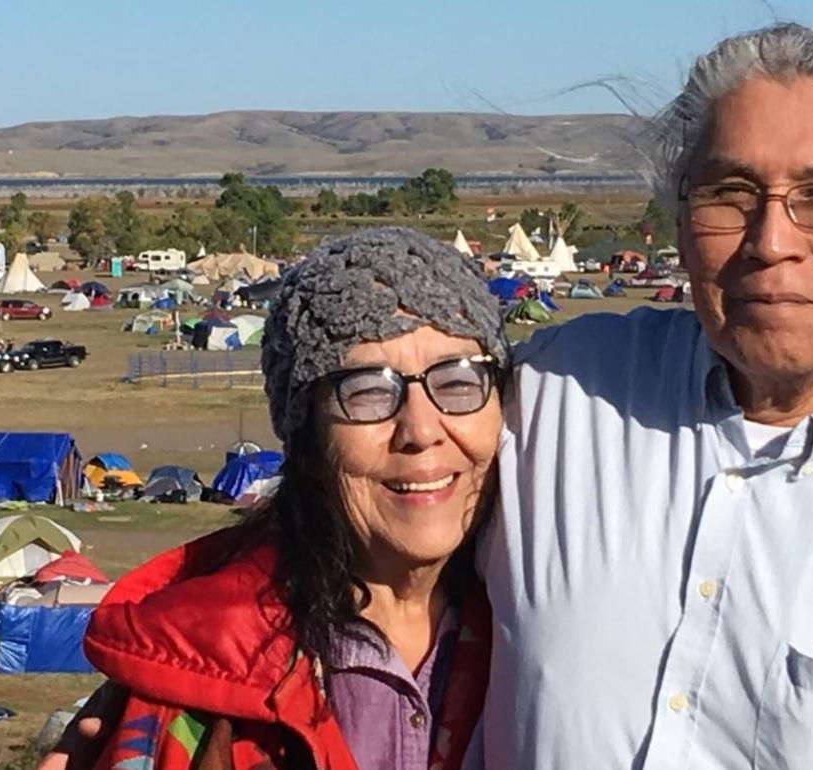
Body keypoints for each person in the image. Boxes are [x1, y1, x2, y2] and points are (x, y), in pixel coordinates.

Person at [47, 23, 813, 770]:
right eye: (729, 194)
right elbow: (352, 497)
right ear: (676, 221)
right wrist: (154, 712)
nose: (770, 245)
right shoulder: (564, 390)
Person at [64, 228, 505, 770]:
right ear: (306, 436)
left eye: (458, 381)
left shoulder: (549, 631)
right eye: (367, 390)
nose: (421, 428)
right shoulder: (194, 681)